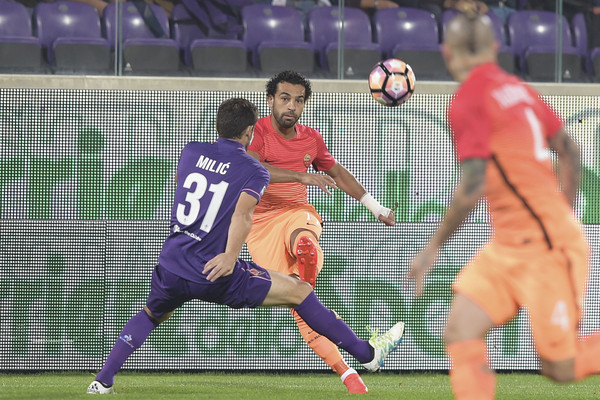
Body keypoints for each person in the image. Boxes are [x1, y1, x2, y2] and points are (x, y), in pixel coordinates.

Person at [87, 97, 405, 395]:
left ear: (217, 125)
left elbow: (181, 185)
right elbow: (243, 214)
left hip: (173, 263)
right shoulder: (253, 169)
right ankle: (367, 354)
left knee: (150, 314)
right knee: (299, 291)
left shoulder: (191, 151)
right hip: (215, 269)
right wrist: (230, 256)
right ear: (250, 131)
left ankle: (102, 382)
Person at [408, 11, 600, 399]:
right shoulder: (520, 89)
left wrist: (431, 248)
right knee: (460, 330)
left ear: (447, 53)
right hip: (508, 246)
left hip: (545, 248)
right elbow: (571, 150)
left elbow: (473, 185)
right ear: (496, 48)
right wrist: (563, 209)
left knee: (560, 368)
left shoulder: (467, 100)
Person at [245, 71, 397, 394]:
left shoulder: (311, 139)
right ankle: (349, 372)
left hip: (297, 213)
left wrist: (376, 208)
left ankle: (309, 283)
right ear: (270, 100)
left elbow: (337, 173)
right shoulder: (256, 131)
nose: (292, 106)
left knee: (304, 242)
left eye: (299, 100)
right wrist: (301, 176)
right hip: (260, 225)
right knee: (300, 305)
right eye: (285, 98)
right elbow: (253, 169)